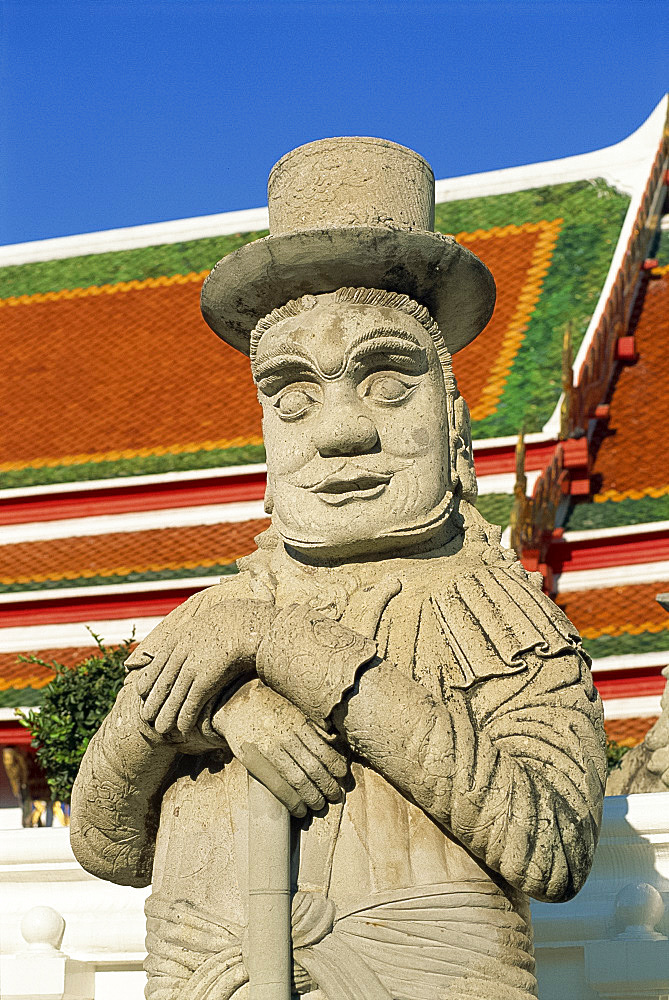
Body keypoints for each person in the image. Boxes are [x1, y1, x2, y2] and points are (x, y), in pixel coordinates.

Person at [71, 138, 606, 1000]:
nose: (339, 432)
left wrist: (289, 648)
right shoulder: (210, 621)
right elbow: (106, 844)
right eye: (291, 398)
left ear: (454, 416)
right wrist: (224, 713)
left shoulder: (505, 618)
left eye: (389, 384)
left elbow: (546, 846)